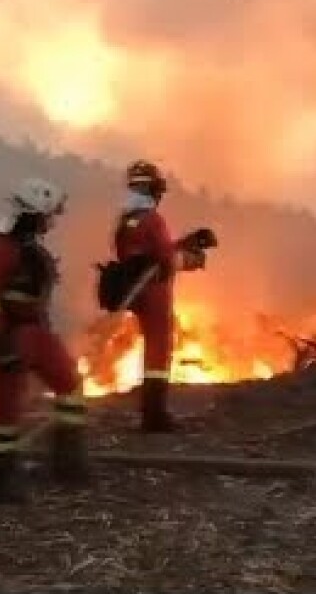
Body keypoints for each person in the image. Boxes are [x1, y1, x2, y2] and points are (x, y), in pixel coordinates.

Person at [0, 177, 89, 504]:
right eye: (47, 215)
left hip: (36, 331)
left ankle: (67, 462)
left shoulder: (28, 247)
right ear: (31, 214)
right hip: (11, 334)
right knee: (3, 409)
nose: (51, 222)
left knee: (70, 384)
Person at [113, 160, 206, 433]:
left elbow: (150, 253)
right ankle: (154, 416)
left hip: (138, 291)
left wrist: (185, 242)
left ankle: (151, 412)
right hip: (155, 293)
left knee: (153, 349)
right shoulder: (153, 219)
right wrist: (192, 259)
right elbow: (165, 260)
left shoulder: (128, 219)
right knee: (159, 351)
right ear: (153, 189)